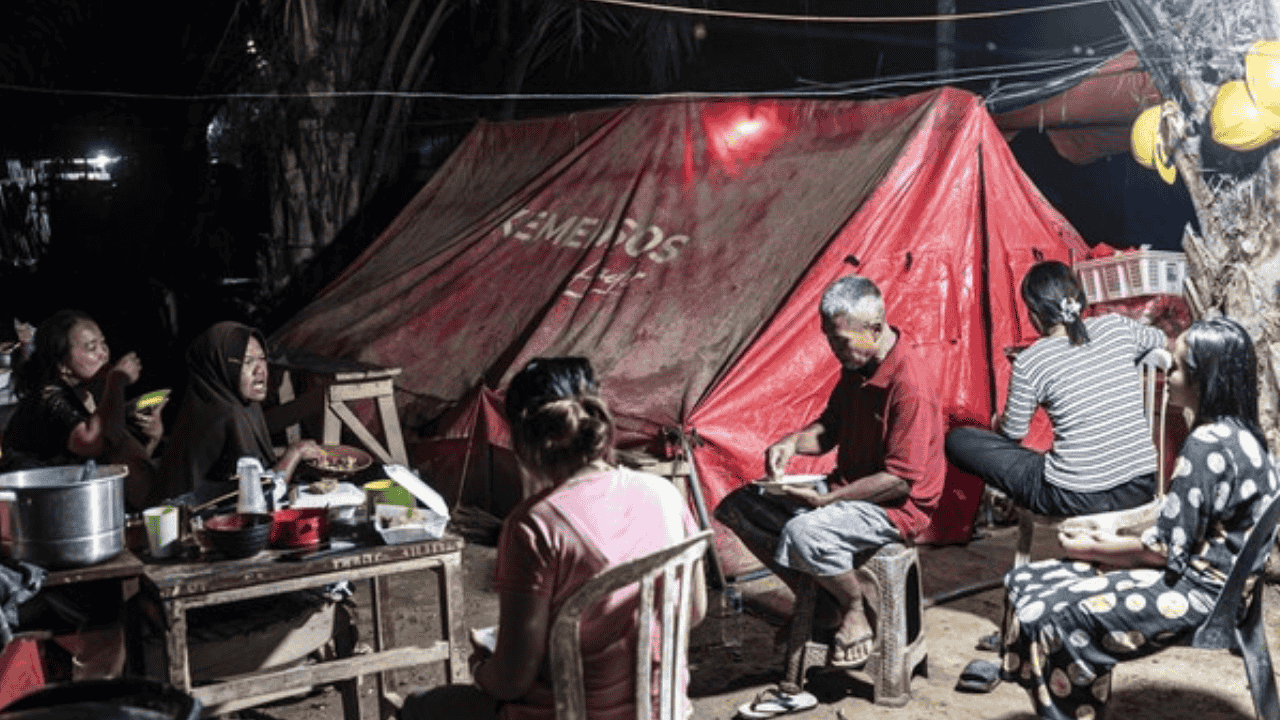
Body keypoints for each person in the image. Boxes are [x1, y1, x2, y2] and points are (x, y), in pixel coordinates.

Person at [999, 316, 1278, 720]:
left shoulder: (1204, 446)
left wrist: (1091, 546)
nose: (1169, 371)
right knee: (1025, 580)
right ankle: (1071, 697)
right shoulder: (1247, 437)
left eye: (1179, 367)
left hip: (1197, 596)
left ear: (1206, 381)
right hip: (1221, 585)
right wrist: (1108, 541)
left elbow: (1165, 552)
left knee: (1048, 611)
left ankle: (1066, 710)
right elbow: (1187, 528)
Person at [400, 356, 706, 720]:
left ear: (522, 439)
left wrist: (481, 669)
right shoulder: (665, 494)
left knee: (421, 706)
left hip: (566, 713)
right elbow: (695, 611)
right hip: (664, 710)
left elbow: (512, 680)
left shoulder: (534, 525)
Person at [714, 274, 945, 672]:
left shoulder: (909, 383)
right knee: (739, 505)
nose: (834, 350)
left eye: (841, 340)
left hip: (896, 506)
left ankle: (854, 606)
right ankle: (822, 600)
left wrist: (828, 501)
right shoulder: (856, 365)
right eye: (829, 339)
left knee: (804, 531)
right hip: (850, 489)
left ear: (875, 329)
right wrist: (792, 442)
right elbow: (829, 429)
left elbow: (899, 480)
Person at [946, 260, 1167, 519]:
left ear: (1035, 315)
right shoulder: (1117, 327)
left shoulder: (1031, 361)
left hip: (1076, 497)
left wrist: (998, 424)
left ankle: (1009, 496)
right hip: (1140, 487)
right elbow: (1161, 341)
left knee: (958, 440)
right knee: (1046, 460)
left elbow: (1014, 432)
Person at [0, 309, 164, 508]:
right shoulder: (47, 396)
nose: (102, 353)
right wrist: (116, 382)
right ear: (62, 366)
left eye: (103, 343)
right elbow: (92, 441)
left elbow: (116, 460)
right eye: (91, 347)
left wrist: (152, 438)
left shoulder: (91, 390)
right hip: (38, 508)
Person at [158, 321, 322, 504]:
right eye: (248, 362)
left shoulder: (227, 403)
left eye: (262, 359)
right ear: (220, 366)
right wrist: (295, 453)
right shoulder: (225, 415)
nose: (260, 370)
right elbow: (258, 499)